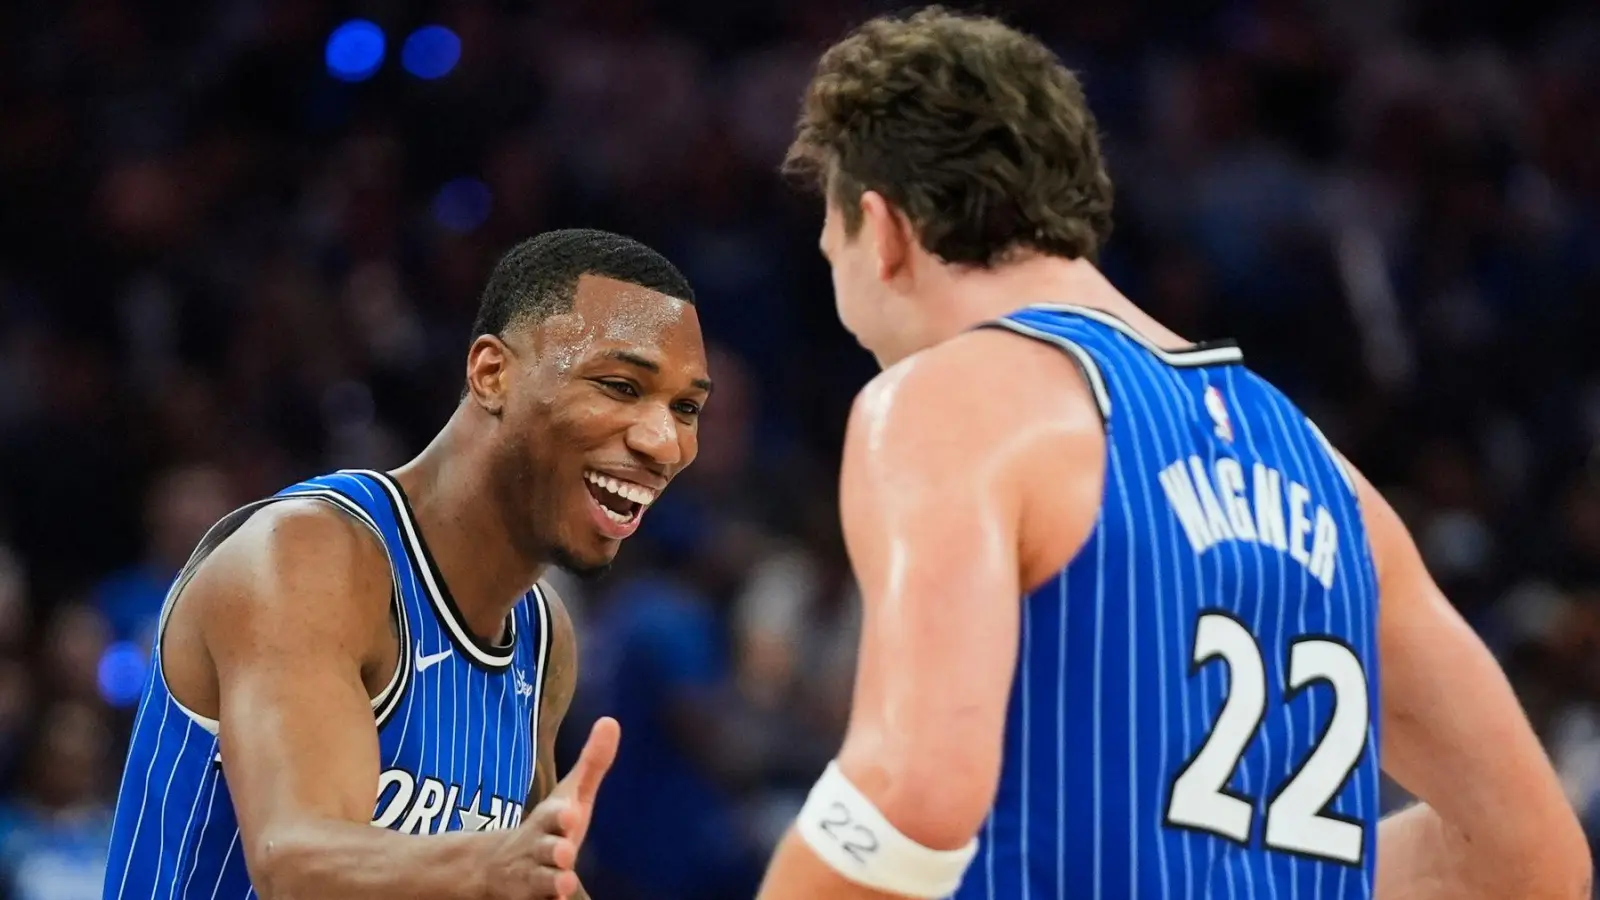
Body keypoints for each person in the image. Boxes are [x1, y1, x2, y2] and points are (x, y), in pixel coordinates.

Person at [757, 9, 1590, 900]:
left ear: (881, 232)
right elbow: (1534, 857)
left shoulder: (943, 401)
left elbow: (912, 795)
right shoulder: (1324, 469)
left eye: (831, 253)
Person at [103, 228, 713, 900]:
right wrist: (483, 867)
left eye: (686, 408)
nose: (665, 442)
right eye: (621, 385)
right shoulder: (307, 558)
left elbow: (529, 878)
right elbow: (291, 861)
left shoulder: (543, 640)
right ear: (492, 373)